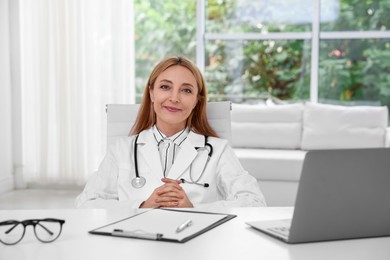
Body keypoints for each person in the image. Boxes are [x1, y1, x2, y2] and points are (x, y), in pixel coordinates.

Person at [75, 56, 266, 209]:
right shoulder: (121, 149)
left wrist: (194, 208)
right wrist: (142, 206)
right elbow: (86, 204)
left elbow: (255, 202)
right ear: (151, 93)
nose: (174, 98)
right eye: (165, 87)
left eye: (186, 90)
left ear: (196, 101)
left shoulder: (218, 150)